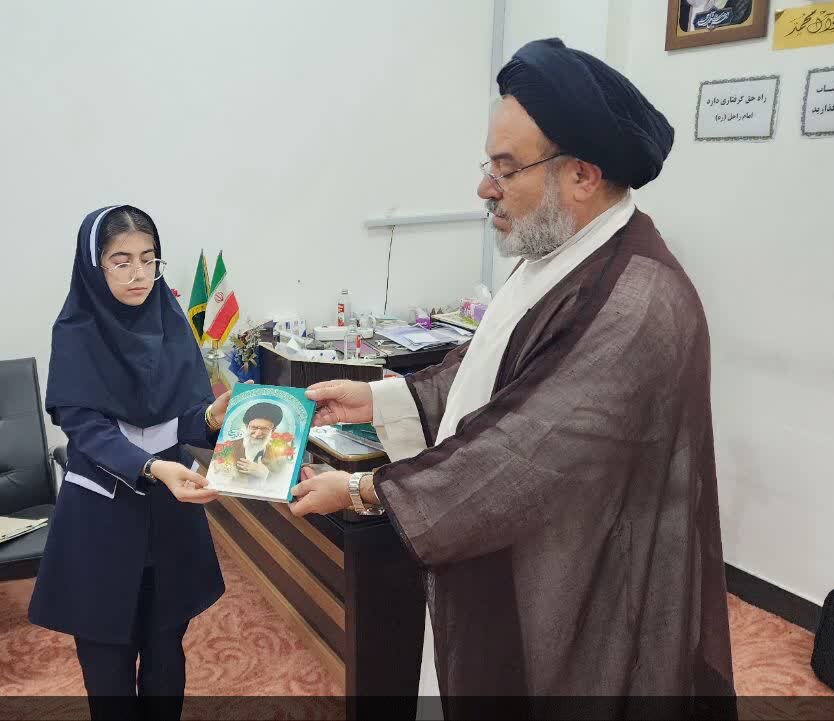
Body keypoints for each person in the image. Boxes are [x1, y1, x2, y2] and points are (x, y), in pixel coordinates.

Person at [291, 39, 735, 719]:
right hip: (519, 552)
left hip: (574, 587)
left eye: (506, 167)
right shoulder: (558, 254)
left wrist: (362, 489)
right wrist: (378, 399)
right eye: (488, 164)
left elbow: (520, 453)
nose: (485, 187)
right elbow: (491, 372)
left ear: (581, 175)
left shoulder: (639, 301)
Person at [28, 205, 231, 720]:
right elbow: (85, 428)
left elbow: (183, 420)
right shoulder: (75, 330)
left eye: (148, 259)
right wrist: (152, 467)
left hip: (170, 518)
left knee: (166, 653)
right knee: (107, 666)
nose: (139, 274)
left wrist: (212, 414)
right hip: (102, 521)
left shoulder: (170, 320)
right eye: (121, 261)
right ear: (95, 266)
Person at [210, 401, 289, 482]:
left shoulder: (279, 455)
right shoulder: (226, 449)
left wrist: (266, 474)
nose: (257, 434)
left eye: (265, 429)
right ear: (247, 426)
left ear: (273, 430)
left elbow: (283, 481)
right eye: (254, 427)